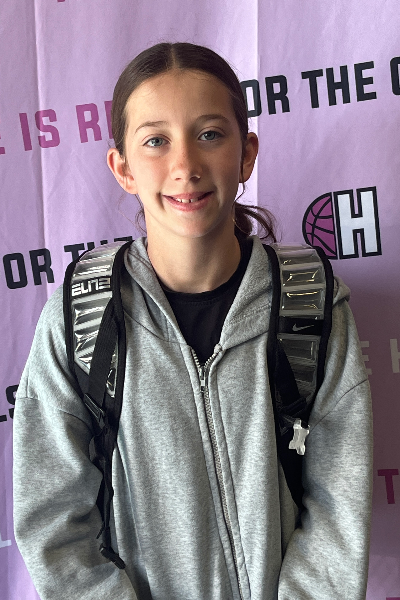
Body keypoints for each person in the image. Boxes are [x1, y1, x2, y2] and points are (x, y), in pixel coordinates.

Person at [13, 42, 372, 600]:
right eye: (156, 141)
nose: (185, 166)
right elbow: (53, 523)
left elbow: (338, 511)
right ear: (123, 168)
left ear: (246, 154)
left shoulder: (311, 306)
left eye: (209, 134)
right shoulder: (80, 320)